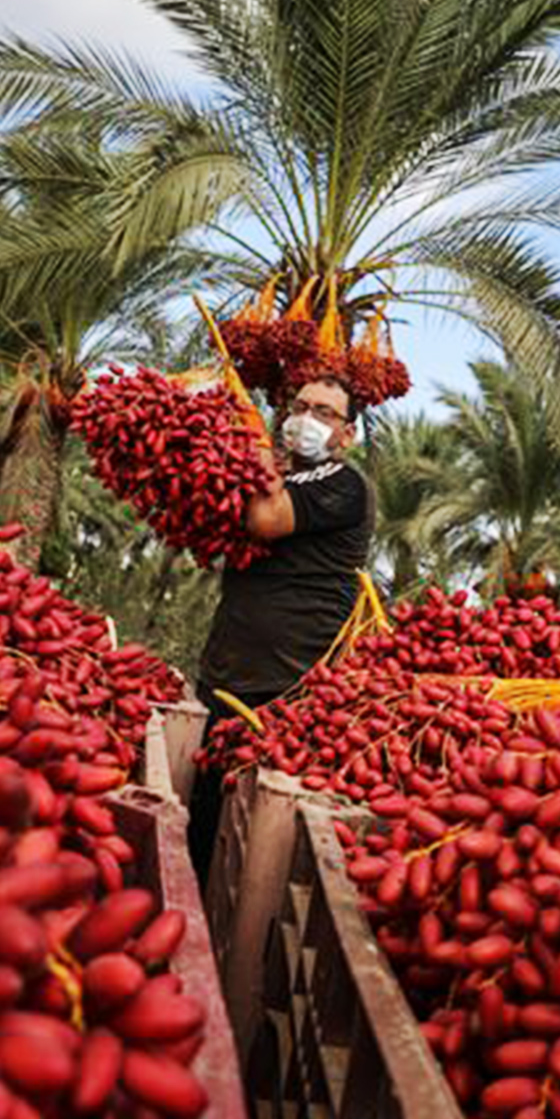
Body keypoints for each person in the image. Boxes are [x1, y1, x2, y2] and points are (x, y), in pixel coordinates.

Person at [187, 374, 375, 881]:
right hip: (224, 676)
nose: (307, 419)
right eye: (300, 406)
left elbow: (265, 520)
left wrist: (247, 444)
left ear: (347, 434)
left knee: (247, 838)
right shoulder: (278, 472)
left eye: (325, 413)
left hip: (285, 690)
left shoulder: (344, 483)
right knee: (199, 825)